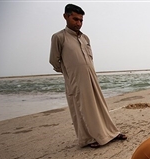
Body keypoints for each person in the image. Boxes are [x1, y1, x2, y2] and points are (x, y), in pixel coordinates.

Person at [49, 4, 127, 148]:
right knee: (84, 109)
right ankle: (91, 138)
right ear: (65, 17)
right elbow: (54, 61)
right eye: (75, 19)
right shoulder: (59, 37)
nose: (78, 23)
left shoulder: (85, 38)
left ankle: (111, 132)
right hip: (76, 80)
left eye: (81, 20)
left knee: (100, 105)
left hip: (92, 77)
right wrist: (70, 72)